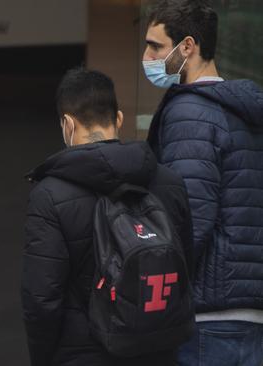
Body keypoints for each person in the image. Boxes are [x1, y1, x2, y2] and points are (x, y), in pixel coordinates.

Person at [22, 68, 194, 366]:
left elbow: (42, 298)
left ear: (67, 124)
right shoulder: (169, 183)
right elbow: (186, 266)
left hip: (81, 353)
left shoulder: (49, 195)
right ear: (119, 119)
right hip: (158, 352)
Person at [143, 1, 263, 364]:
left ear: (188, 47)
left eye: (155, 45)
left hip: (207, 314)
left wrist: (153, 291)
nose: (147, 56)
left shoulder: (190, 110)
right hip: (250, 312)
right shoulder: (244, 110)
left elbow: (189, 218)